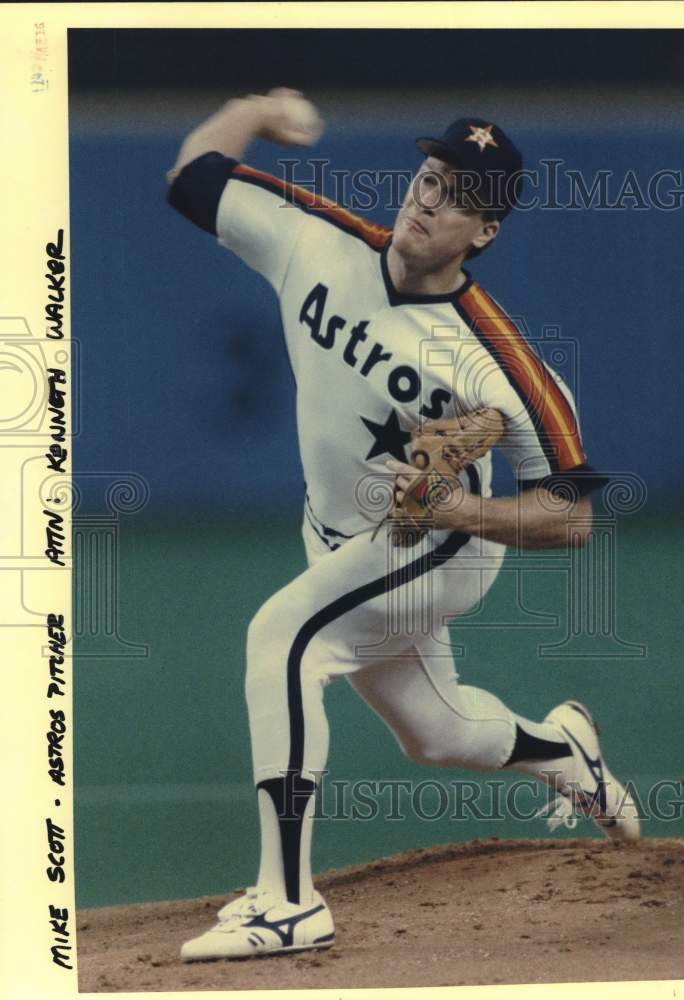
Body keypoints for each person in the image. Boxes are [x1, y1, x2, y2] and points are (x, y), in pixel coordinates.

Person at [166, 88, 640, 962]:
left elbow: (569, 518)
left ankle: (287, 901)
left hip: (437, 548)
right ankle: (563, 750)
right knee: (438, 733)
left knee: (284, 637)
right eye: (430, 177)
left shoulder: (500, 361)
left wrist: (463, 508)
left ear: (485, 232)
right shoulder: (316, 239)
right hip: (338, 536)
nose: (432, 200)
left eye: (461, 196)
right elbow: (193, 174)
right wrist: (257, 108)